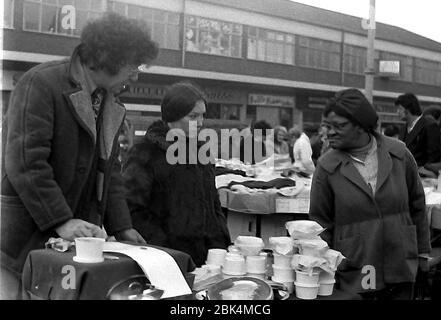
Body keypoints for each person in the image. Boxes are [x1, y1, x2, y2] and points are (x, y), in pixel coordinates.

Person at [0, 13, 158, 299]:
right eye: (133, 65)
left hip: (71, 244)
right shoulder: (41, 83)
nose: (135, 74)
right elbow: (25, 163)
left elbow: (111, 173)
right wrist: (61, 220)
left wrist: (123, 226)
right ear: (109, 56)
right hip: (23, 241)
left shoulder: (108, 101)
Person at [309, 88, 431, 300]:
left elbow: (417, 206)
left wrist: (421, 254)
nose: (330, 132)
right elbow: (320, 224)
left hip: (400, 262)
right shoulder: (327, 166)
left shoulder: (399, 154)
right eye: (327, 126)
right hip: (356, 268)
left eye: (339, 126)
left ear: (361, 125)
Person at [123, 82, 231, 267]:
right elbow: (131, 208)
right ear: (173, 116)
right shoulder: (147, 152)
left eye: (202, 115)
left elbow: (213, 205)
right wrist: (165, 247)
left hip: (208, 260)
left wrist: (220, 243)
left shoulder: (201, 152)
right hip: (166, 259)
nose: (200, 122)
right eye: (193, 116)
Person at [395, 93, 441, 167]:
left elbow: (434, 157)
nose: (397, 112)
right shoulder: (403, 129)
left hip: (422, 175)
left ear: (408, 109)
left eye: (399, 108)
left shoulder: (429, 125)